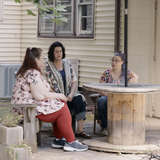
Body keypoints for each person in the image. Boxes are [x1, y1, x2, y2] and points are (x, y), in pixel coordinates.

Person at [11, 47, 88, 152]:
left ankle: (59, 139)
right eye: (42, 58)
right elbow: (39, 96)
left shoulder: (29, 71)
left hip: (28, 105)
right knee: (62, 110)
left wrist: (58, 97)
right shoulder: (32, 73)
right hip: (28, 108)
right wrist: (60, 95)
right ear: (35, 60)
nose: (44, 61)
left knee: (59, 103)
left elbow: (41, 92)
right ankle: (71, 141)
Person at [45, 41, 91, 139]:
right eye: (56, 52)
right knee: (60, 104)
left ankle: (80, 130)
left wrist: (70, 94)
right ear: (52, 53)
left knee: (79, 100)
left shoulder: (67, 64)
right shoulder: (48, 67)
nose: (59, 54)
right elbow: (47, 85)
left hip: (69, 95)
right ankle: (60, 131)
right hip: (56, 96)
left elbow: (74, 81)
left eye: (60, 51)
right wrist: (60, 96)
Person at [97, 52, 138, 136]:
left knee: (131, 102)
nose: (113, 63)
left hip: (122, 97)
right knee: (102, 100)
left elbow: (135, 78)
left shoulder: (126, 73)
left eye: (116, 61)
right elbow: (100, 88)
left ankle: (125, 126)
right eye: (112, 60)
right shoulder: (107, 73)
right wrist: (109, 95)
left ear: (122, 62)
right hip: (108, 97)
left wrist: (131, 81)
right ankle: (105, 127)